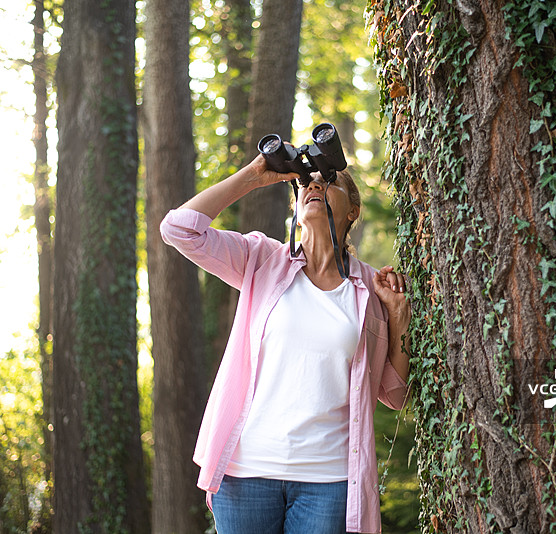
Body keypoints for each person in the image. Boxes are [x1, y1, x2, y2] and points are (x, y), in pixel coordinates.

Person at [160, 154, 412, 534]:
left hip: (329, 483)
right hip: (245, 474)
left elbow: (395, 394)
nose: (314, 185)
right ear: (294, 206)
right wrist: (253, 176)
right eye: (306, 183)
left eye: (330, 181)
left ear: (352, 211)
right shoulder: (262, 260)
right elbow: (179, 229)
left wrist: (397, 317)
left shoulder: (372, 289)